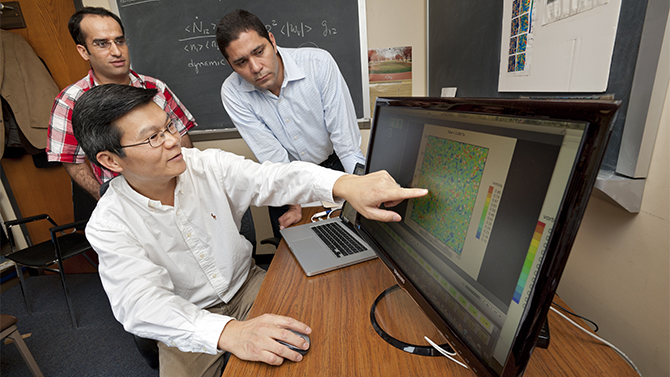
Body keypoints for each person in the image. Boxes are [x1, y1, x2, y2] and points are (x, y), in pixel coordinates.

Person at [72, 84, 427, 377]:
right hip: (188, 318)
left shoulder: (206, 164)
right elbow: (142, 305)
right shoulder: (109, 224)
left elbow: (274, 178)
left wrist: (347, 184)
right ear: (110, 160)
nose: (172, 141)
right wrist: (229, 332)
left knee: (322, 349)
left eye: (169, 127)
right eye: (153, 138)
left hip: (248, 286)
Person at [216, 9, 366, 238]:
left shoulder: (318, 64)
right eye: (241, 62)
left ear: (272, 41)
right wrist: (294, 203)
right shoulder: (233, 93)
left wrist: (362, 189)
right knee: (295, 256)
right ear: (230, 64)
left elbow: (346, 145)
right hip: (283, 180)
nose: (255, 67)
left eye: (259, 51)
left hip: (333, 167)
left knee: (351, 238)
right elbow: (272, 156)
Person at [47, 7, 197, 200]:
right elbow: (71, 159)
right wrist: (105, 198)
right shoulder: (70, 101)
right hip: (124, 200)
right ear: (84, 51)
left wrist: (187, 183)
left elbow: (181, 133)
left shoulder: (155, 87)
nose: (116, 51)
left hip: (177, 191)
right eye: (102, 44)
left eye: (120, 41)